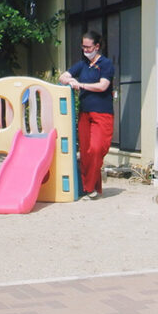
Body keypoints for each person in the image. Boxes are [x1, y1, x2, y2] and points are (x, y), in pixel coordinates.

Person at [59, 31, 115, 200]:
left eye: (88, 46)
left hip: (102, 114)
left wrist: (81, 85)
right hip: (85, 113)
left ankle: (90, 186)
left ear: (97, 47)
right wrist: (70, 80)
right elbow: (63, 76)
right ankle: (90, 188)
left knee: (97, 149)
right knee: (85, 152)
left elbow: (103, 86)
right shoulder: (82, 64)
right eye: (83, 46)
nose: (85, 49)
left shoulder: (106, 64)